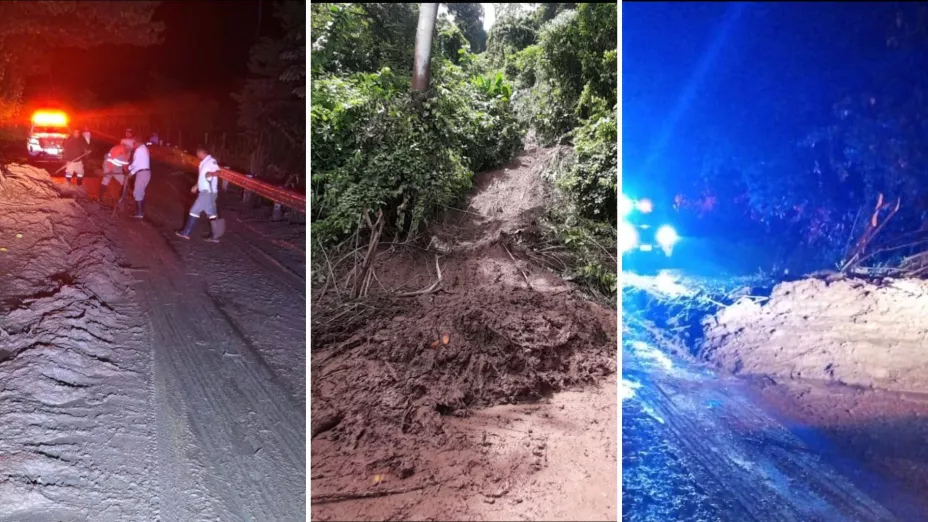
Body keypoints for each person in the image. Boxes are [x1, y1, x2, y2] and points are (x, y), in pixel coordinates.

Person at [176, 144, 221, 242]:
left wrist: (211, 174)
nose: (197, 155)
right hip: (208, 192)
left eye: (197, 153)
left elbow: (218, 172)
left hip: (207, 192)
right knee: (212, 214)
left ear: (201, 152)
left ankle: (186, 232)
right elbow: (202, 177)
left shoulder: (211, 161)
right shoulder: (204, 162)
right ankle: (215, 236)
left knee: (194, 211)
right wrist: (196, 185)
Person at [128, 141, 151, 219]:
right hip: (147, 172)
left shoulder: (139, 150)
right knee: (141, 192)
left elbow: (136, 163)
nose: (134, 146)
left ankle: (139, 213)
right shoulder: (145, 149)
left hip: (141, 173)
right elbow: (140, 162)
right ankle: (141, 211)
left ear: (138, 142)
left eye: (134, 143)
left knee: (137, 192)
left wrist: (131, 171)